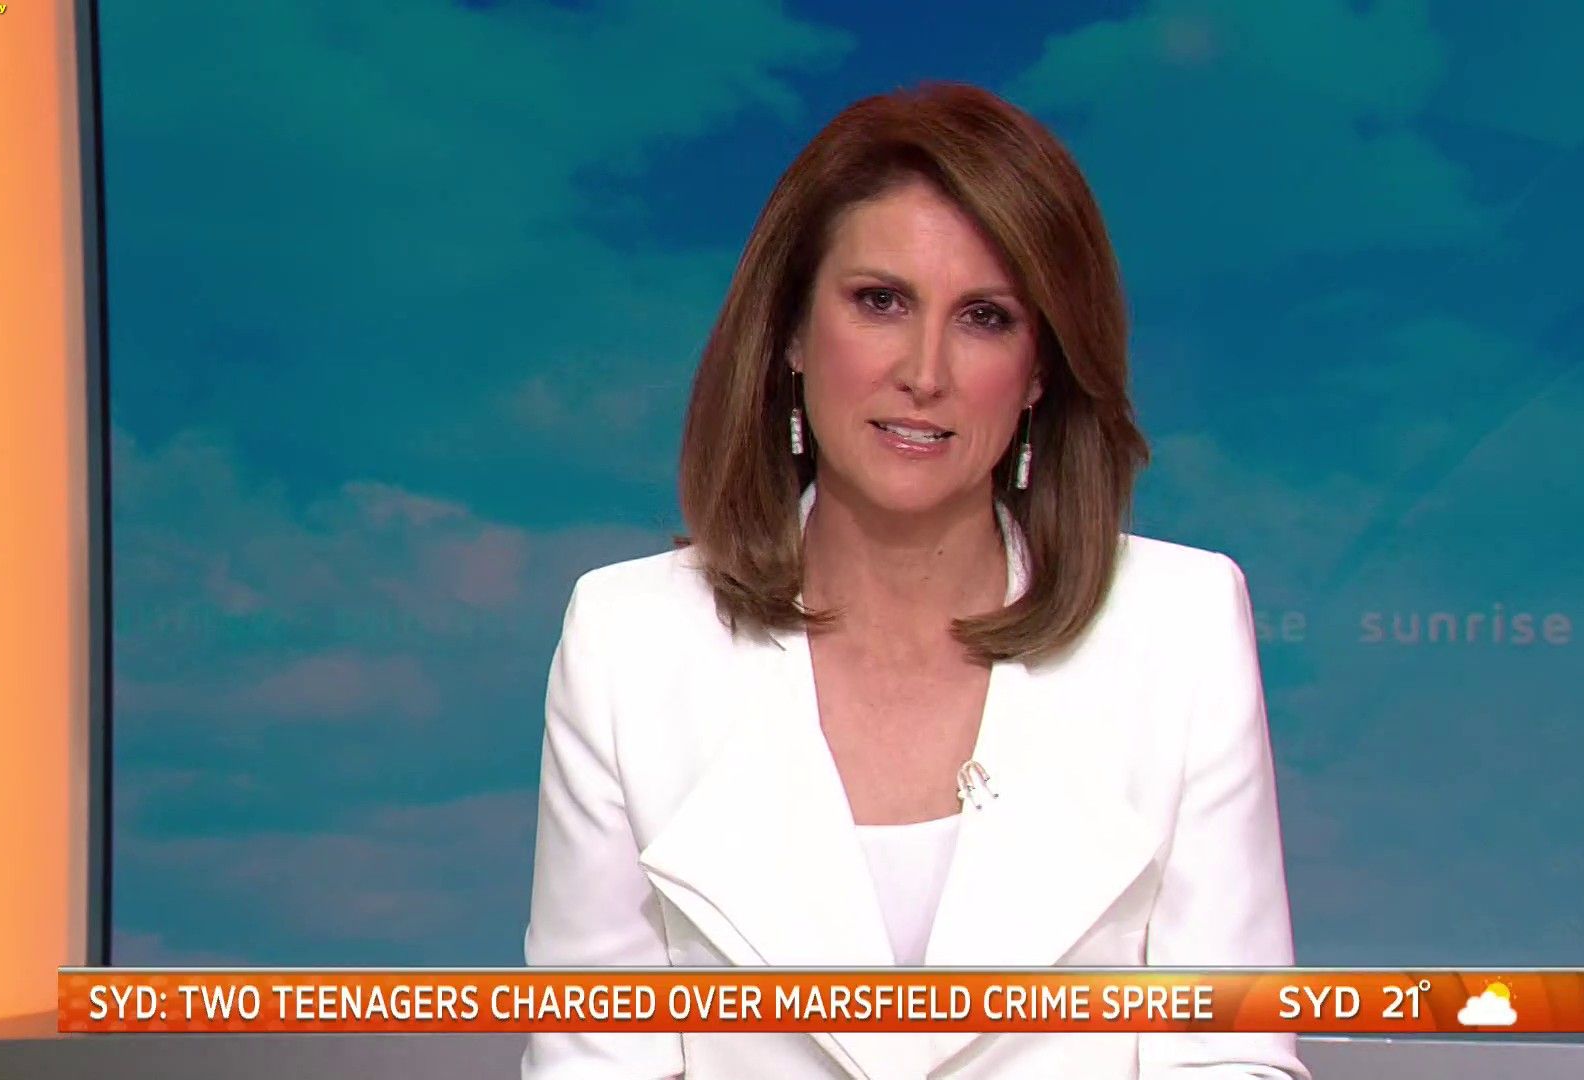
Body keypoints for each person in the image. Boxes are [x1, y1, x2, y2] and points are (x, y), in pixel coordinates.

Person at [522, 81, 1309, 1080]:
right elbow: (594, 1059)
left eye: (985, 317)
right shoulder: (628, 641)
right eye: (880, 302)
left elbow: (1230, 1056)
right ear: (792, 333)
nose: (924, 371)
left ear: (1039, 371)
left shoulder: (1179, 625)